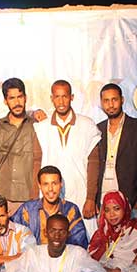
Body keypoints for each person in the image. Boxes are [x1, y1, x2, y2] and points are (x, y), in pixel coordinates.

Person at [34, 80, 102, 235]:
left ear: (72, 97)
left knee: (84, 238)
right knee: (51, 237)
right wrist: (35, 198)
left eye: (65, 96)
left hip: (80, 193)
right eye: (57, 97)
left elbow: (94, 164)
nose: (61, 101)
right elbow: (36, 164)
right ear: (51, 98)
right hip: (51, 195)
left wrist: (91, 198)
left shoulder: (87, 125)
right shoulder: (42, 128)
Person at [95, 83, 137, 218]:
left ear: (122, 100)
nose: (111, 105)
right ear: (101, 103)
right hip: (103, 201)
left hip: (131, 201)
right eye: (106, 101)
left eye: (114, 99)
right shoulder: (97, 129)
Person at [0, 78, 42, 215]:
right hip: (3, 196)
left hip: (30, 196)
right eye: (12, 98)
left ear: (25, 98)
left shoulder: (37, 125)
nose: (17, 102)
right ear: (5, 101)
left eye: (20, 97)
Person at [10, 166, 89, 248]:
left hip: (64, 255)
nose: (50, 189)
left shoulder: (70, 210)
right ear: (39, 185)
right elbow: (12, 234)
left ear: (61, 184)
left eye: (54, 183)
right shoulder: (27, 209)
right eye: (45, 184)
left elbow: (79, 243)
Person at [88, 191, 137, 272]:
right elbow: (89, 260)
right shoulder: (100, 233)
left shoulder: (134, 230)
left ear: (124, 208)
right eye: (107, 210)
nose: (112, 214)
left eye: (116, 209)